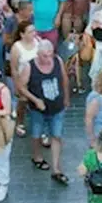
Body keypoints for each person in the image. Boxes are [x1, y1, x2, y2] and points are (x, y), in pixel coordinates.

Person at [23, 39, 71, 185]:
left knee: (56, 135)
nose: (48, 58)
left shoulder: (58, 61)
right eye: (45, 56)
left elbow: (64, 79)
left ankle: (56, 168)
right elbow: (21, 86)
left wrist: (66, 97)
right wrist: (35, 100)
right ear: (38, 54)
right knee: (36, 134)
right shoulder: (30, 66)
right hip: (38, 109)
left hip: (57, 106)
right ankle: (37, 156)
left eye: (50, 55)